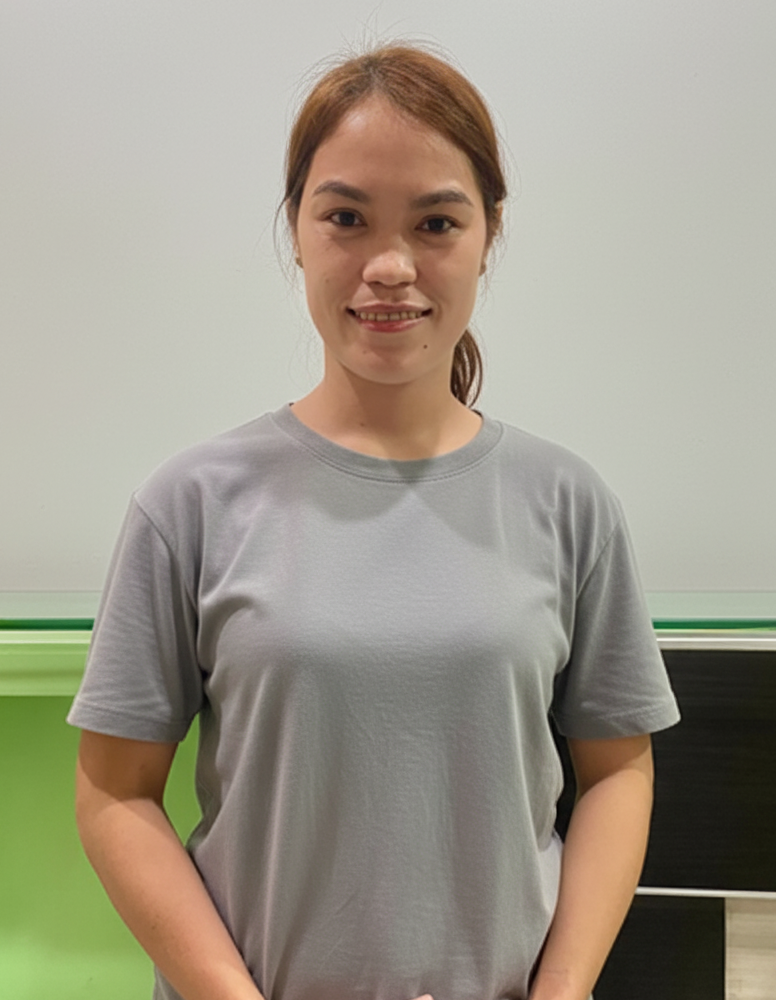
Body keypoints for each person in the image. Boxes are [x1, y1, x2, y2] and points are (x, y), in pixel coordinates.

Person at [68, 43, 680, 1000]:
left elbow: (617, 770)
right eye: (347, 218)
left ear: (488, 234)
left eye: (436, 222)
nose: (390, 267)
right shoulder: (190, 502)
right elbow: (114, 791)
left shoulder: (569, 503)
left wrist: (561, 991)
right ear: (297, 231)